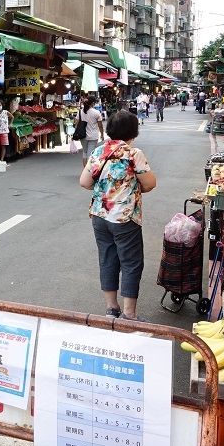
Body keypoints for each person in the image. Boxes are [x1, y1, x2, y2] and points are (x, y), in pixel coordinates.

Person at [79, 111, 157, 321]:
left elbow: (85, 182)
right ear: (133, 132)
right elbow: (149, 183)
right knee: (131, 262)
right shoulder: (133, 154)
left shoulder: (98, 152)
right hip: (125, 218)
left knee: (107, 259)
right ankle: (129, 314)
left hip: (100, 216)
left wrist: (106, 189)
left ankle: (111, 309)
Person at [77, 97, 105, 167]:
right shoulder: (96, 112)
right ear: (93, 103)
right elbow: (100, 125)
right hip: (93, 136)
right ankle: (89, 171)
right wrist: (102, 134)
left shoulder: (80, 112)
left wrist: (75, 133)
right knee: (91, 153)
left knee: (85, 152)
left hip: (82, 135)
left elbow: (76, 123)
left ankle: (85, 171)